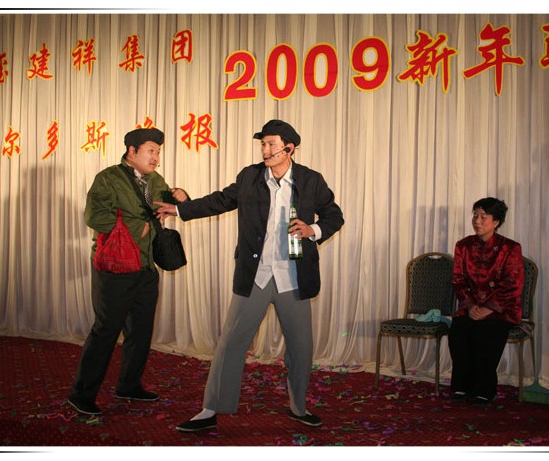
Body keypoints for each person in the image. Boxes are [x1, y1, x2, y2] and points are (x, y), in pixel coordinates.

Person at [154, 119, 344, 432]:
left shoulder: (311, 180)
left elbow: (334, 215)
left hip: (294, 277)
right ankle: (209, 409)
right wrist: (180, 210)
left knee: (301, 347)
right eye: (263, 144)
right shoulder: (250, 176)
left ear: (289, 148)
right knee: (231, 343)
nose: (265, 150)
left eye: (271, 144)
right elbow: (219, 200)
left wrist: (313, 229)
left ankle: (298, 407)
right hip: (255, 274)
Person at [67, 128, 189, 415]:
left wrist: (182, 197)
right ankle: (81, 394)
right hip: (115, 266)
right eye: (151, 151)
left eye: (158, 152)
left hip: (145, 266)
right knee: (106, 330)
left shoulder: (155, 179)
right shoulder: (108, 178)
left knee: (141, 330)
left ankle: (129, 385)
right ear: (132, 152)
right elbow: (95, 216)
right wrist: (137, 227)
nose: (156, 157)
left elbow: (166, 204)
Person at [448, 197, 524, 406]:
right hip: (470, 307)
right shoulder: (463, 246)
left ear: (496, 221)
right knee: (459, 332)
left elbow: (513, 284)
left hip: (501, 310)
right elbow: (458, 280)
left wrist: (489, 308)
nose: (477, 221)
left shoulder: (511, 248)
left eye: (483, 217)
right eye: (475, 216)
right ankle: (462, 387)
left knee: (485, 334)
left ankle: (484, 390)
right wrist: (471, 306)